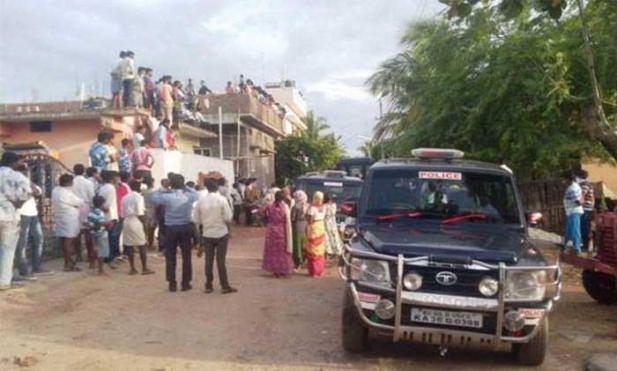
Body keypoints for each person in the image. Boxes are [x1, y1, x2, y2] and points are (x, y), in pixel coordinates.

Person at [146, 174, 199, 292]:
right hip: (185, 226)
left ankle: (172, 283)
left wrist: (163, 188)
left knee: (170, 256)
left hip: (170, 227)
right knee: (186, 256)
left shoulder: (167, 197)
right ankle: (186, 283)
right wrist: (186, 187)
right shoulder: (189, 196)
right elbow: (197, 194)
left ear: (171, 184)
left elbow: (151, 196)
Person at [193, 178, 237, 294]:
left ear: (207, 187)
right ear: (217, 187)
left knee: (208, 260)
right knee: (220, 261)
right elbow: (228, 217)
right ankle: (224, 285)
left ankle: (208, 285)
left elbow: (195, 219)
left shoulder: (201, 201)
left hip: (207, 233)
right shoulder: (221, 200)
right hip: (221, 232)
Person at [0, 152, 33, 291]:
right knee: (7, 249)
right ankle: (4, 281)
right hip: (9, 215)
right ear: (14, 163)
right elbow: (28, 192)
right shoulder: (16, 176)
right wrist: (18, 203)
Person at [16, 182, 51, 279]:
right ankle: (23, 270)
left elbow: (38, 191)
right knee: (22, 242)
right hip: (21, 214)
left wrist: (33, 188)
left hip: (32, 213)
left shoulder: (25, 180)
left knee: (38, 239)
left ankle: (36, 267)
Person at [52, 174, 84, 272]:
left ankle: (67, 261)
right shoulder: (67, 193)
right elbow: (80, 202)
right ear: (69, 183)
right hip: (69, 218)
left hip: (60, 216)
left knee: (64, 240)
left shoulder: (55, 190)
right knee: (69, 240)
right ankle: (69, 263)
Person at [122, 180, 154, 276]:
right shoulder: (138, 197)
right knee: (142, 244)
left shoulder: (124, 197)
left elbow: (122, 212)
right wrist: (145, 224)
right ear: (139, 187)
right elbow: (140, 213)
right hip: (135, 220)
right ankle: (144, 268)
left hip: (126, 220)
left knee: (129, 245)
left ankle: (132, 268)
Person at [261, 190, 293, 278]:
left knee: (273, 251)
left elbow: (262, 212)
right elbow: (288, 220)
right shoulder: (285, 207)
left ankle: (275, 270)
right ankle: (283, 269)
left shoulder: (270, 206)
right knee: (282, 251)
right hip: (281, 230)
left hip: (271, 230)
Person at [72, 164, 96, 268]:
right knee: (88, 232)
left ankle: (78, 255)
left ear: (74, 171)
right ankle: (90, 255)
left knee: (77, 232)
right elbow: (92, 196)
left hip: (74, 207)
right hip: (85, 206)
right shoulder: (88, 182)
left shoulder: (71, 182)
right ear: (84, 171)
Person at [87, 195, 114, 275]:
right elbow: (101, 223)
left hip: (93, 233)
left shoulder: (91, 211)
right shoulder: (100, 213)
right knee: (102, 252)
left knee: (95, 249)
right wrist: (109, 223)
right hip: (101, 233)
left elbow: (88, 223)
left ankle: (92, 264)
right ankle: (100, 270)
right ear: (101, 204)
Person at [98, 170, 121, 264]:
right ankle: (111, 257)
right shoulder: (111, 188)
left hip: (104, 216)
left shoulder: (102, 188)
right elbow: (109, 204)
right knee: (112, 238)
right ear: (113, 178)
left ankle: (107, 256)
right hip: (111, 216)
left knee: (107, 238)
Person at [305, 191, 327, 278]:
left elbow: (310, 220)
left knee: (313, 250)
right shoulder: (324, 207)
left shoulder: (312, 208)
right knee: (320, 251)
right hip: (321, 227)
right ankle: (319, 271)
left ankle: (313, 271)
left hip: (313, 228)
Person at [562, 171, 584, 255]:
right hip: (571, 211)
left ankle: (576, 248)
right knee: (569, 231)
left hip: (574, 211)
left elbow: (578, 202)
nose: (563, 180)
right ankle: (566, 246)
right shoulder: (572, 186)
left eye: (564, 179)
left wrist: (582, 201)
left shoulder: (573, 188)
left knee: (575, 231)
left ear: (568, 179)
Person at [291, 190, 308, 270]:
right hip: (306, 227)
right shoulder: (308, 206)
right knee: (304, 245)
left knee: (297, 245)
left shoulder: (295, 207)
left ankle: (298, 262)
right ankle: (304, 261)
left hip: (297, 226)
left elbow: (293, 218)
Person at [578, 170, 595, 252]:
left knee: (584, 227)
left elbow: (582, 194)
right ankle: (586, 245)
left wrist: (579, 204)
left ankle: (585, 246)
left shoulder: (584, 185)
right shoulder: (589, 184)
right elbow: (593, 199)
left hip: (585, 209)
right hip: (589, 209)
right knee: (587, 227)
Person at [142, 177, 158, 250]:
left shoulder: (143, 191)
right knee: (152, 228)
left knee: (146, 227)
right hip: (153, 210)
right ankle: (150, 243)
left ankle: (147, 241)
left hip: (145, 210)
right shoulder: (155, 192)